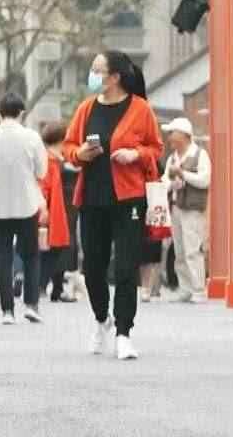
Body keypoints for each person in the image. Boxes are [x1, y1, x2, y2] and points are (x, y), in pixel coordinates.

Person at [64, 50, 164, 361]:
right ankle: (101, 318)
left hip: (129, 198)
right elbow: (68, 146)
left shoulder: (140, 109)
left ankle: (123, 333)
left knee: (125, 267)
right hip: (92, 198)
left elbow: (155, 148)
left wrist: (136, 154)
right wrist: (80, 154)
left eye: (98, 70)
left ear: (115, 77)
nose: (92, 75)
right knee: (93, 267)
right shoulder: (86, 108)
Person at [0, 92, 46, 325]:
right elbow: (41, 172)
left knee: (3, 256)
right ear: (22, 113)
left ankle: (7, 311)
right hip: (26, 202)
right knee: (31, 255)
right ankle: (31, 305)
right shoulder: (32, 138)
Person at [163, 117, 211, 303]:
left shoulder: (200, 154)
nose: (170, 137)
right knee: (180, 251)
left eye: (172, 133)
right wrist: (171, 184)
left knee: (193, 249)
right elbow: (165, 180)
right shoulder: (172, 157)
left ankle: (198, 289)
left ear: (184, 135)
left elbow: (205, 180)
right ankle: (185, 288)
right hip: (176, 207)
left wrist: (183, 174)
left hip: (192, 209)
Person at [37, 123, 75, 303]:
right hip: (56, 210)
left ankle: (55, 288)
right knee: (52, 249)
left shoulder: (58, 159)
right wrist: (44, 208)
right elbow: (44, 186)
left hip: (65, 210)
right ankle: (42, 286)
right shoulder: (49, 160)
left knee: (59, 249)